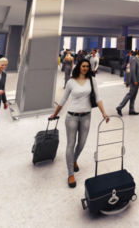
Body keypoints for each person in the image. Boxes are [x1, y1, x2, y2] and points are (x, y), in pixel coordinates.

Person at [50, 59, 110, 188]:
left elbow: (98, 98)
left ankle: (74, 160)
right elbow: (64, 99)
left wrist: (104, 113)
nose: (86, 68)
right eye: (83, 66)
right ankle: (70, 173)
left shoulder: (92, 80)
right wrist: (55, 113)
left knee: (82, 143)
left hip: (86, 116)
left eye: (87, 66)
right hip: (72, 116)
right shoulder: (71, 82)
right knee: (71, 144)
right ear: (79, 67)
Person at [116, 49, 139, 116]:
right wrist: (134, 80)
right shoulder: (134, 59)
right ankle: (119, 107)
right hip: (135, 81)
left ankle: (131, 110)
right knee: (130, 94)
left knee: (133, 96)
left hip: (137, 80)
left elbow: (137, 70)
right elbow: (132, 70)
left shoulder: (137, 59)